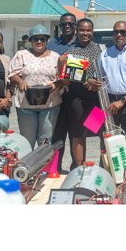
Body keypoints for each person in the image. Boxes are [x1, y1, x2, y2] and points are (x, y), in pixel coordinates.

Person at [58, 18, 103, 167]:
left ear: (92, 31)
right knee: (79, 134)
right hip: (76, 100)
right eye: (82, 30)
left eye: (88, 30)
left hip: (96, 100)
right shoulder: (71, 52)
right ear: (77, 31)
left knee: (100, 134)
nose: (85, 33)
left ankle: (104, 168)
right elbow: (66, 81)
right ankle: (79, 168)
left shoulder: (98, 49)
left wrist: (96, 83)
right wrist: (85, 83)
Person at [9, 24, 62, 148]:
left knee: (45, 141)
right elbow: (12, 74)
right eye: (35, 39)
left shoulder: (55, 57)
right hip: (26, 105)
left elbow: (62, 78)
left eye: (42, 39)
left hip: (50, 104)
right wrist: (20, 81)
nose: (39, 41)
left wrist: (56, 84)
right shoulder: (22, 54)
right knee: (27, 142)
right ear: (30, 40)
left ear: (47, 40)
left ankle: (45, 168)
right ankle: (28, 167)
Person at [49, 13, 77, 173]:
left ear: (75, 25)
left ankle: (76, 169)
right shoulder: (52, 44)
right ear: (59, 26)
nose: (67, 26)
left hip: (76, 96)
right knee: (57, 136)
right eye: (64, 24)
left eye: (70, 24)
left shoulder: (81, 43)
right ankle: (55, 169)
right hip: (55, 97)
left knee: (76, 136)